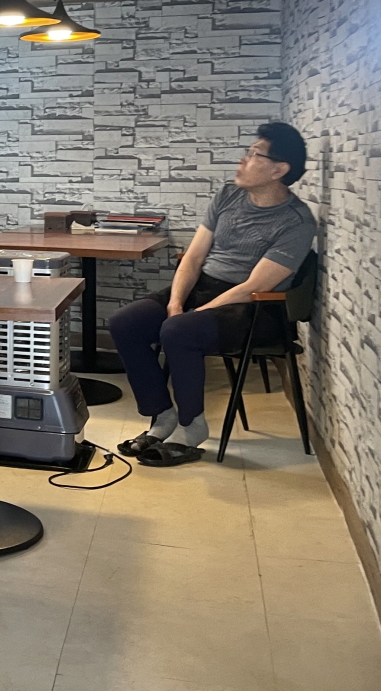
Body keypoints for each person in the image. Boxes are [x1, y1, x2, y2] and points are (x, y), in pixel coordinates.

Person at [107, 122, 316, 466]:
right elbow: (193, 258)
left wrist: (192, 315)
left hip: (255, 309)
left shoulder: (297, 221)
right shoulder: (228, 195)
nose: (243, 160)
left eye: (254, 154)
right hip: (205, 287)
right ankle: (163, 416)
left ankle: (192, 428)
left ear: (279, 170)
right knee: (125, 323)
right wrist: (176, 303)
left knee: (179, 330)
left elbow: (253, 287)